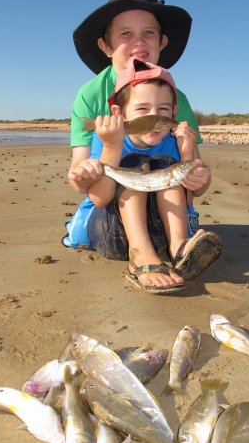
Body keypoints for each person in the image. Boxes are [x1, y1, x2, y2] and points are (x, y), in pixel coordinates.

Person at [63, 57, 222, 294]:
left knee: (166, 166)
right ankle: (139, 255)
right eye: (142, 110)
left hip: (162, 240)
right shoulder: (105, 140)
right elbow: (100, 199)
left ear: (174, 113)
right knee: (136, 164)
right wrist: (112, 147)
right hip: (113, 234)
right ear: (119, 113)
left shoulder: (176, 142)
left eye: (163, 111)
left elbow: (191, 196)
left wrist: (193, 162)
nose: (154, 120)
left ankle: (180, 249)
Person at [67, 0, 201, 202]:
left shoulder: (177, 98)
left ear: (162, 42)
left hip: (170, 200)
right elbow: (77, 177)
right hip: (109, 198)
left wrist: (200, 180)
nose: (139, 42)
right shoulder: (90, 94)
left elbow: (195, 178)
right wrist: (83, 175)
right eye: (126, 33)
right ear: (106, 46)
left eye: (149, 32)